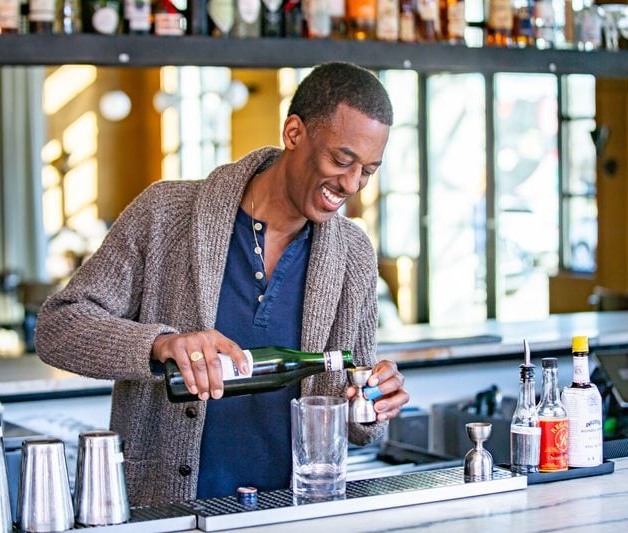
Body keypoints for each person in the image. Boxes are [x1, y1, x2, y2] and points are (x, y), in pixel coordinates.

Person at [36, 62, 410, 506]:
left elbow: (357, 417)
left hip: (290, 515)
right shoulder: (164, 213)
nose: (352, 184)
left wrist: (374, 402)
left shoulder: (353, 254)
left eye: (367, 171)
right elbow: (57, 329)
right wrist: (160, 345)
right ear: (293, 133)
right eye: (341, 160)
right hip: (167, 510)